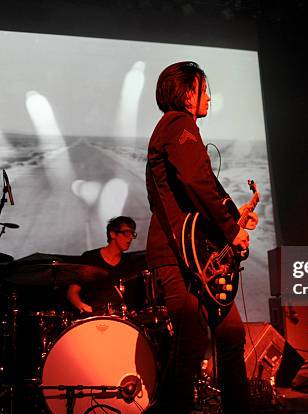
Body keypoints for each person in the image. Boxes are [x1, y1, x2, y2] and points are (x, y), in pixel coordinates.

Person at [145, 61, 258, 413]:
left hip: (196, 255)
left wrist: (229, 216)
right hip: (180, 256)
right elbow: (196, 182)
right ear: (188, 92)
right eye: (204, 89)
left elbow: (192, 190)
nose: (209, 97)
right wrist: (231, 229)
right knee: (192, 341)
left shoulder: (172, 129)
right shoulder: (179, 123)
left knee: (230, 335)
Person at [66, 216, 144, 316]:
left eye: (132, 234)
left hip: (119, 320)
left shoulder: (130, 263)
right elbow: (72, 293)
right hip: (92, 317)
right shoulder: (89, 258)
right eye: (126, 233)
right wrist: (83, 306)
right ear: (112, 234)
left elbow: (133, 301)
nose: (130, 238)